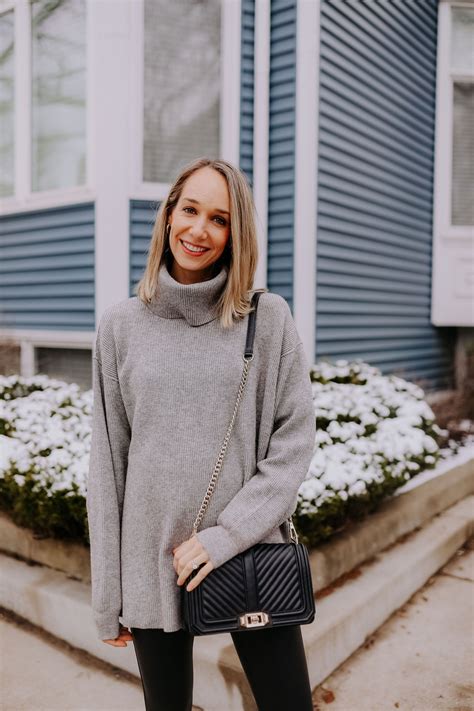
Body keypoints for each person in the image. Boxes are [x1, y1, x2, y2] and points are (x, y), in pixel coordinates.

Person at [86, 157, 316, 710]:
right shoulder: (121, 326)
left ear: (237, 234)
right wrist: (107, 596)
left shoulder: (266, 319)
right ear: (169, 216)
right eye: (190, 210)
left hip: (248, 552)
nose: (199, 230)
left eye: (220, 218)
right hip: (151, 565)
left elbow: (293, 443)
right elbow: (108, 465)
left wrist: (225, 537)